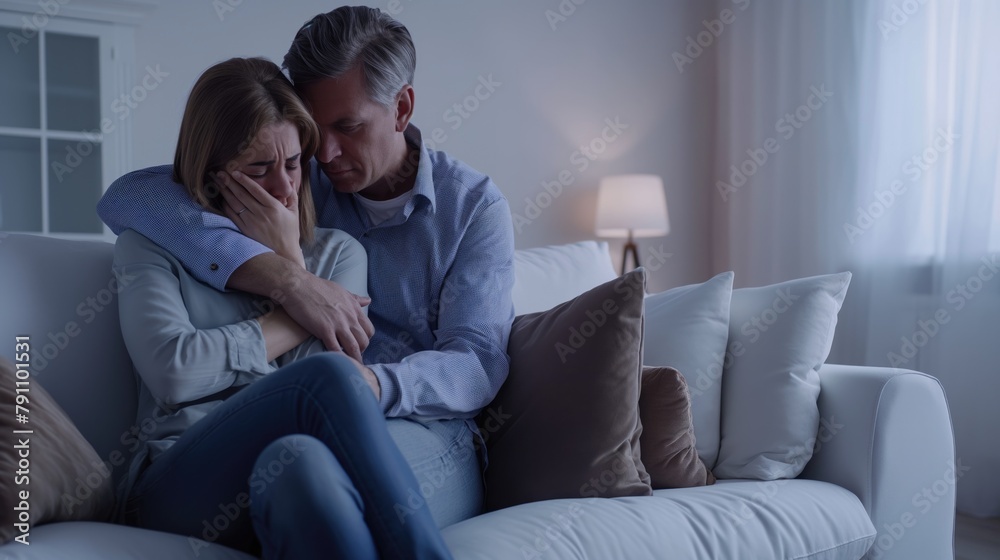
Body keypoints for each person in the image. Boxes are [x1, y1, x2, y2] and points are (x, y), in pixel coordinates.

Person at [98, 4, 515, 537]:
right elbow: (131, 197)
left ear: (402, 107)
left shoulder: (472, 207)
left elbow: (477, 360)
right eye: (317, 134)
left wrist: (373, 383)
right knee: (297, 466)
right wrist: (291, 281)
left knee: (317, 429)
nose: (329, 154)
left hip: (422, 428)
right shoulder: (293, 172)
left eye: (348, 127)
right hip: (294, 429)